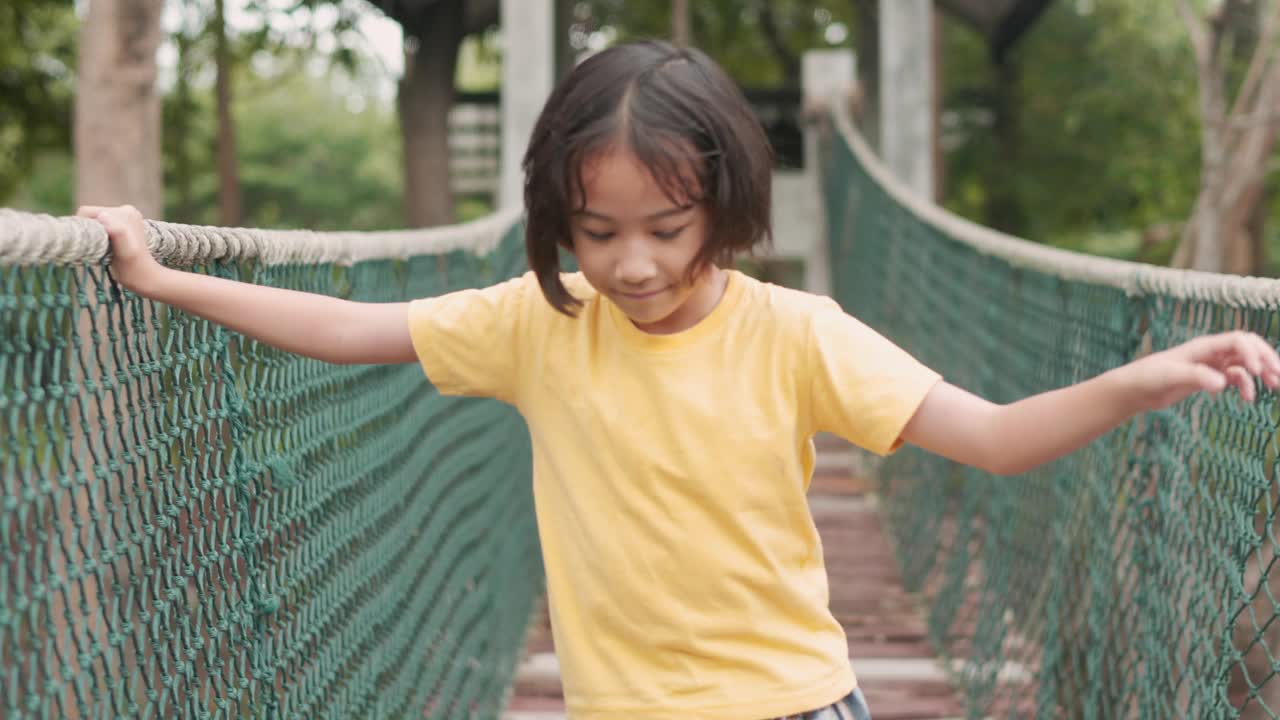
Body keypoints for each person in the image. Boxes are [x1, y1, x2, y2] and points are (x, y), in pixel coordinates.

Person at [80, 40, 1280, 720]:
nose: (632, 263)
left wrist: (1143, 379)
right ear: (557, 219)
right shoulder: (538, 323)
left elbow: (1000, 437)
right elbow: (351, 328)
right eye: (594, 232)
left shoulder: (799, 334)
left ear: (726, 206)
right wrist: (165, 276)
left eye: (666, 224)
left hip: (793, 704)